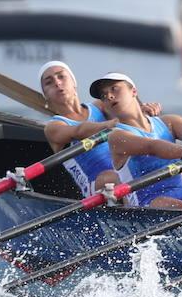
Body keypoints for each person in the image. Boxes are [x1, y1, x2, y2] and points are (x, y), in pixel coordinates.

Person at [89, 72, 182, 210]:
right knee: (180, 208)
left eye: (114, 89)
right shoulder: (117, 136)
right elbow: (151, 146)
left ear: (133, 91)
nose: (109, 96)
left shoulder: (170, 123)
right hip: (145, 201)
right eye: (104, 96)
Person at [38, 60, 161, 196]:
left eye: (61, 76)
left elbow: (124, 103)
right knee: (112, 177)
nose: (57, 83)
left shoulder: (100, 106)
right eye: (49, 82)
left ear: (74, 83)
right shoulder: (54, 127)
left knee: (160, 161)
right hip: (96, 184)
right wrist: (108, 125)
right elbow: (78, 131)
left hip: (126, 171)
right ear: (46, 97)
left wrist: (142, 109)